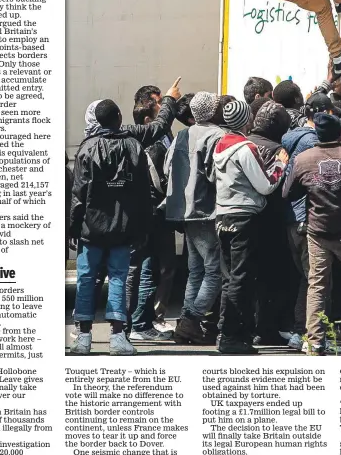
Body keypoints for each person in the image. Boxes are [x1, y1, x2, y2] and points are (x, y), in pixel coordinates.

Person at [282, 113, 341, 357]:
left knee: (317, 287)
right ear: (340, 133)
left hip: (318, 233)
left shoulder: (303, 160)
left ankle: (314, 342)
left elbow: (288, 194)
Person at [70, 100, 153, 356]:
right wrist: (142, 229)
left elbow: (79, 193)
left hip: (90, 229)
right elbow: (143, 194)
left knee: (86, 279)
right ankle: (117, 338)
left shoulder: (87, 148)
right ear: (118, 116)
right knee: (118, 278)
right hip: (123, 227)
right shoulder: (134, 147)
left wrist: (73, 227)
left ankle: (83, 338)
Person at [213, 99, 288, 354]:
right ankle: (233, 336)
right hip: (244, 217)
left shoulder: (220, 145)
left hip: (222, 215)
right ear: (246, 121)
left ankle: (224, 331)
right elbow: (265, 185)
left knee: (229, 278)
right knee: (242, 279)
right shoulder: (246, 148)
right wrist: (280, 164)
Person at [164, 92, 225, 345]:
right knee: (214, 271)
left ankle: (186, 322)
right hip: (207, 209)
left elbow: (168, 168)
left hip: (184, 209)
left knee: (195, 270)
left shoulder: (181, 136)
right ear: (213, 111)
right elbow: (219, 172)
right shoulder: (218, 136)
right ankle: (191, 319)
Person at [126, 99, 177, 342]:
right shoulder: (154, 147)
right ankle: (141, 324)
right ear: (148, 121)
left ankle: (136, 323)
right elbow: (162, 183)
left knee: (140, 269)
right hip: (155, 214)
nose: (164, 120)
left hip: (142, 214)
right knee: (147, 270)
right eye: (159, 114)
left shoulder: (130, 144)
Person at [247, 100, 296, 345]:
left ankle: (250, 327)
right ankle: (268, 327)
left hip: (245, 220)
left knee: (247, 277)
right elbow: (285, 188)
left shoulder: (244, 144)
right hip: (273, 222)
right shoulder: (280, 151)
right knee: (274, 277)